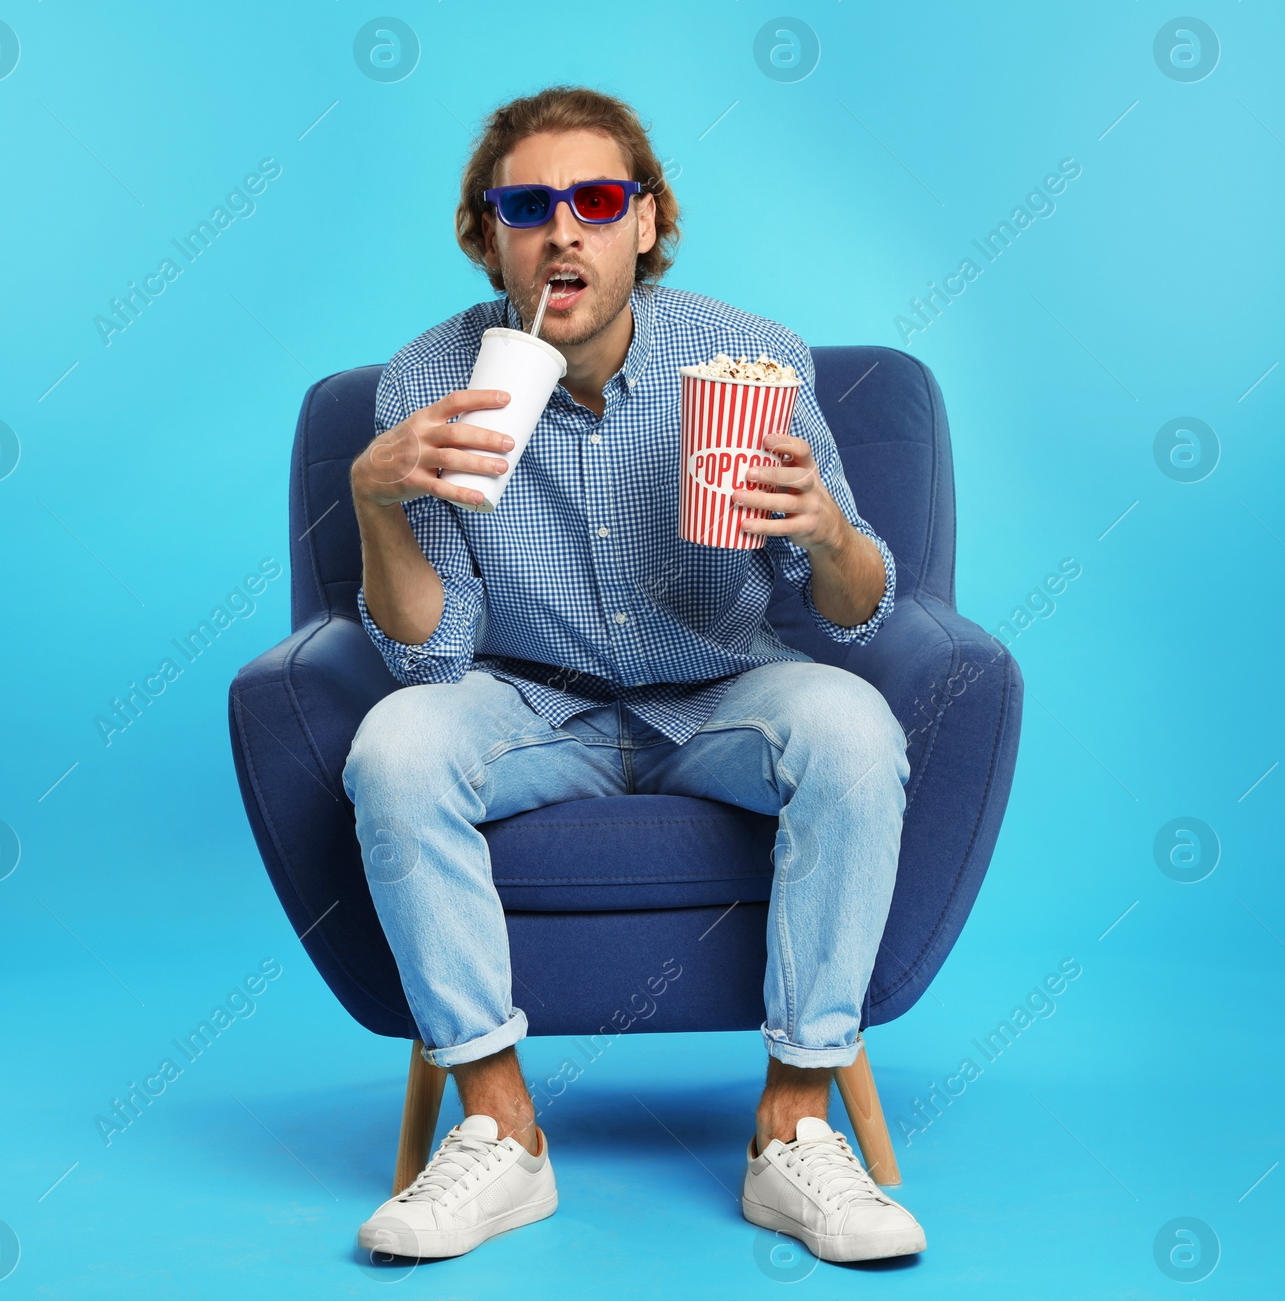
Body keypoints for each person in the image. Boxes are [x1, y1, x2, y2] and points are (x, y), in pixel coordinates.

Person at [344, 85, 924, 1265]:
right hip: (528, 698)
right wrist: (377, 500)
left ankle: (794, 1128)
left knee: (854, 725)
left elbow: (856, 614)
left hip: (720, 693)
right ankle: (500, 1135)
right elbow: (429, 653)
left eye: (597, 200)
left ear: (645, 224)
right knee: (393, 746)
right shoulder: (428, 381)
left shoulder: (753, 358)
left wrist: (823, 530)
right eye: (528, 205)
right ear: (487, 235)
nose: (564, 230)